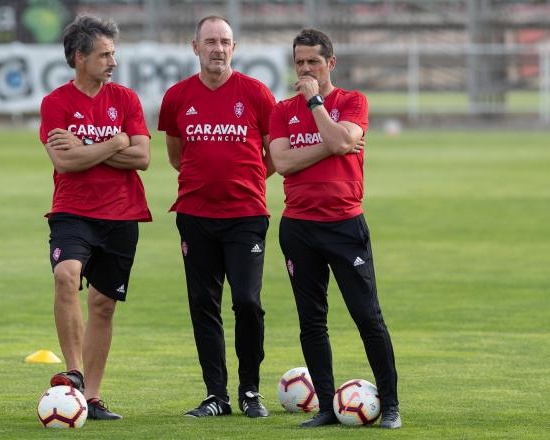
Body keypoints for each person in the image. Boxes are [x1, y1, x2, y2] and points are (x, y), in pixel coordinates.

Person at [268, 28, 401, 429]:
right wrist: (333, 142)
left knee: (367, 315)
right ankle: (327, 406)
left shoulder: (353, 101)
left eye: (313, 61)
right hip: (299, 228)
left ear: (331, 63)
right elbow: (284, 164)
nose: (305, 69)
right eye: (300, 62)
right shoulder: (280, 110)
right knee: (311, 320)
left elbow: (344, 141)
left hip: (344, 225)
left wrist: (314, 103)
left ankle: (391, 404)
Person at [158, 15, 275, 418]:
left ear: (234, 48)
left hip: (246, 216)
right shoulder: (177, 97)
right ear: (195, 47)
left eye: (225, 41)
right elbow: (176, 156)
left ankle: (250, 390)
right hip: (195, 215)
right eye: (210, 41)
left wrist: (246, 179)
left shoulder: (257, 94)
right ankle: (216, 395)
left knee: (247, 302)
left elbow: (272, 155)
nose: (218, 48)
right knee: (203, 304)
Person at [39, 15, 151, 420]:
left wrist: (89, 143)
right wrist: (114, 140)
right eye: (104, 54)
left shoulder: (126, 99)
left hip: (122, 215)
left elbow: (142, 157)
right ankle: (74, 372)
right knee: (66, 275)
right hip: (72, 211)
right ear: (79, 57)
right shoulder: (55, 103)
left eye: (113, 53)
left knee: (103, 305)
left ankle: (94, 398)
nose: (113, 62)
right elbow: (64, 163)